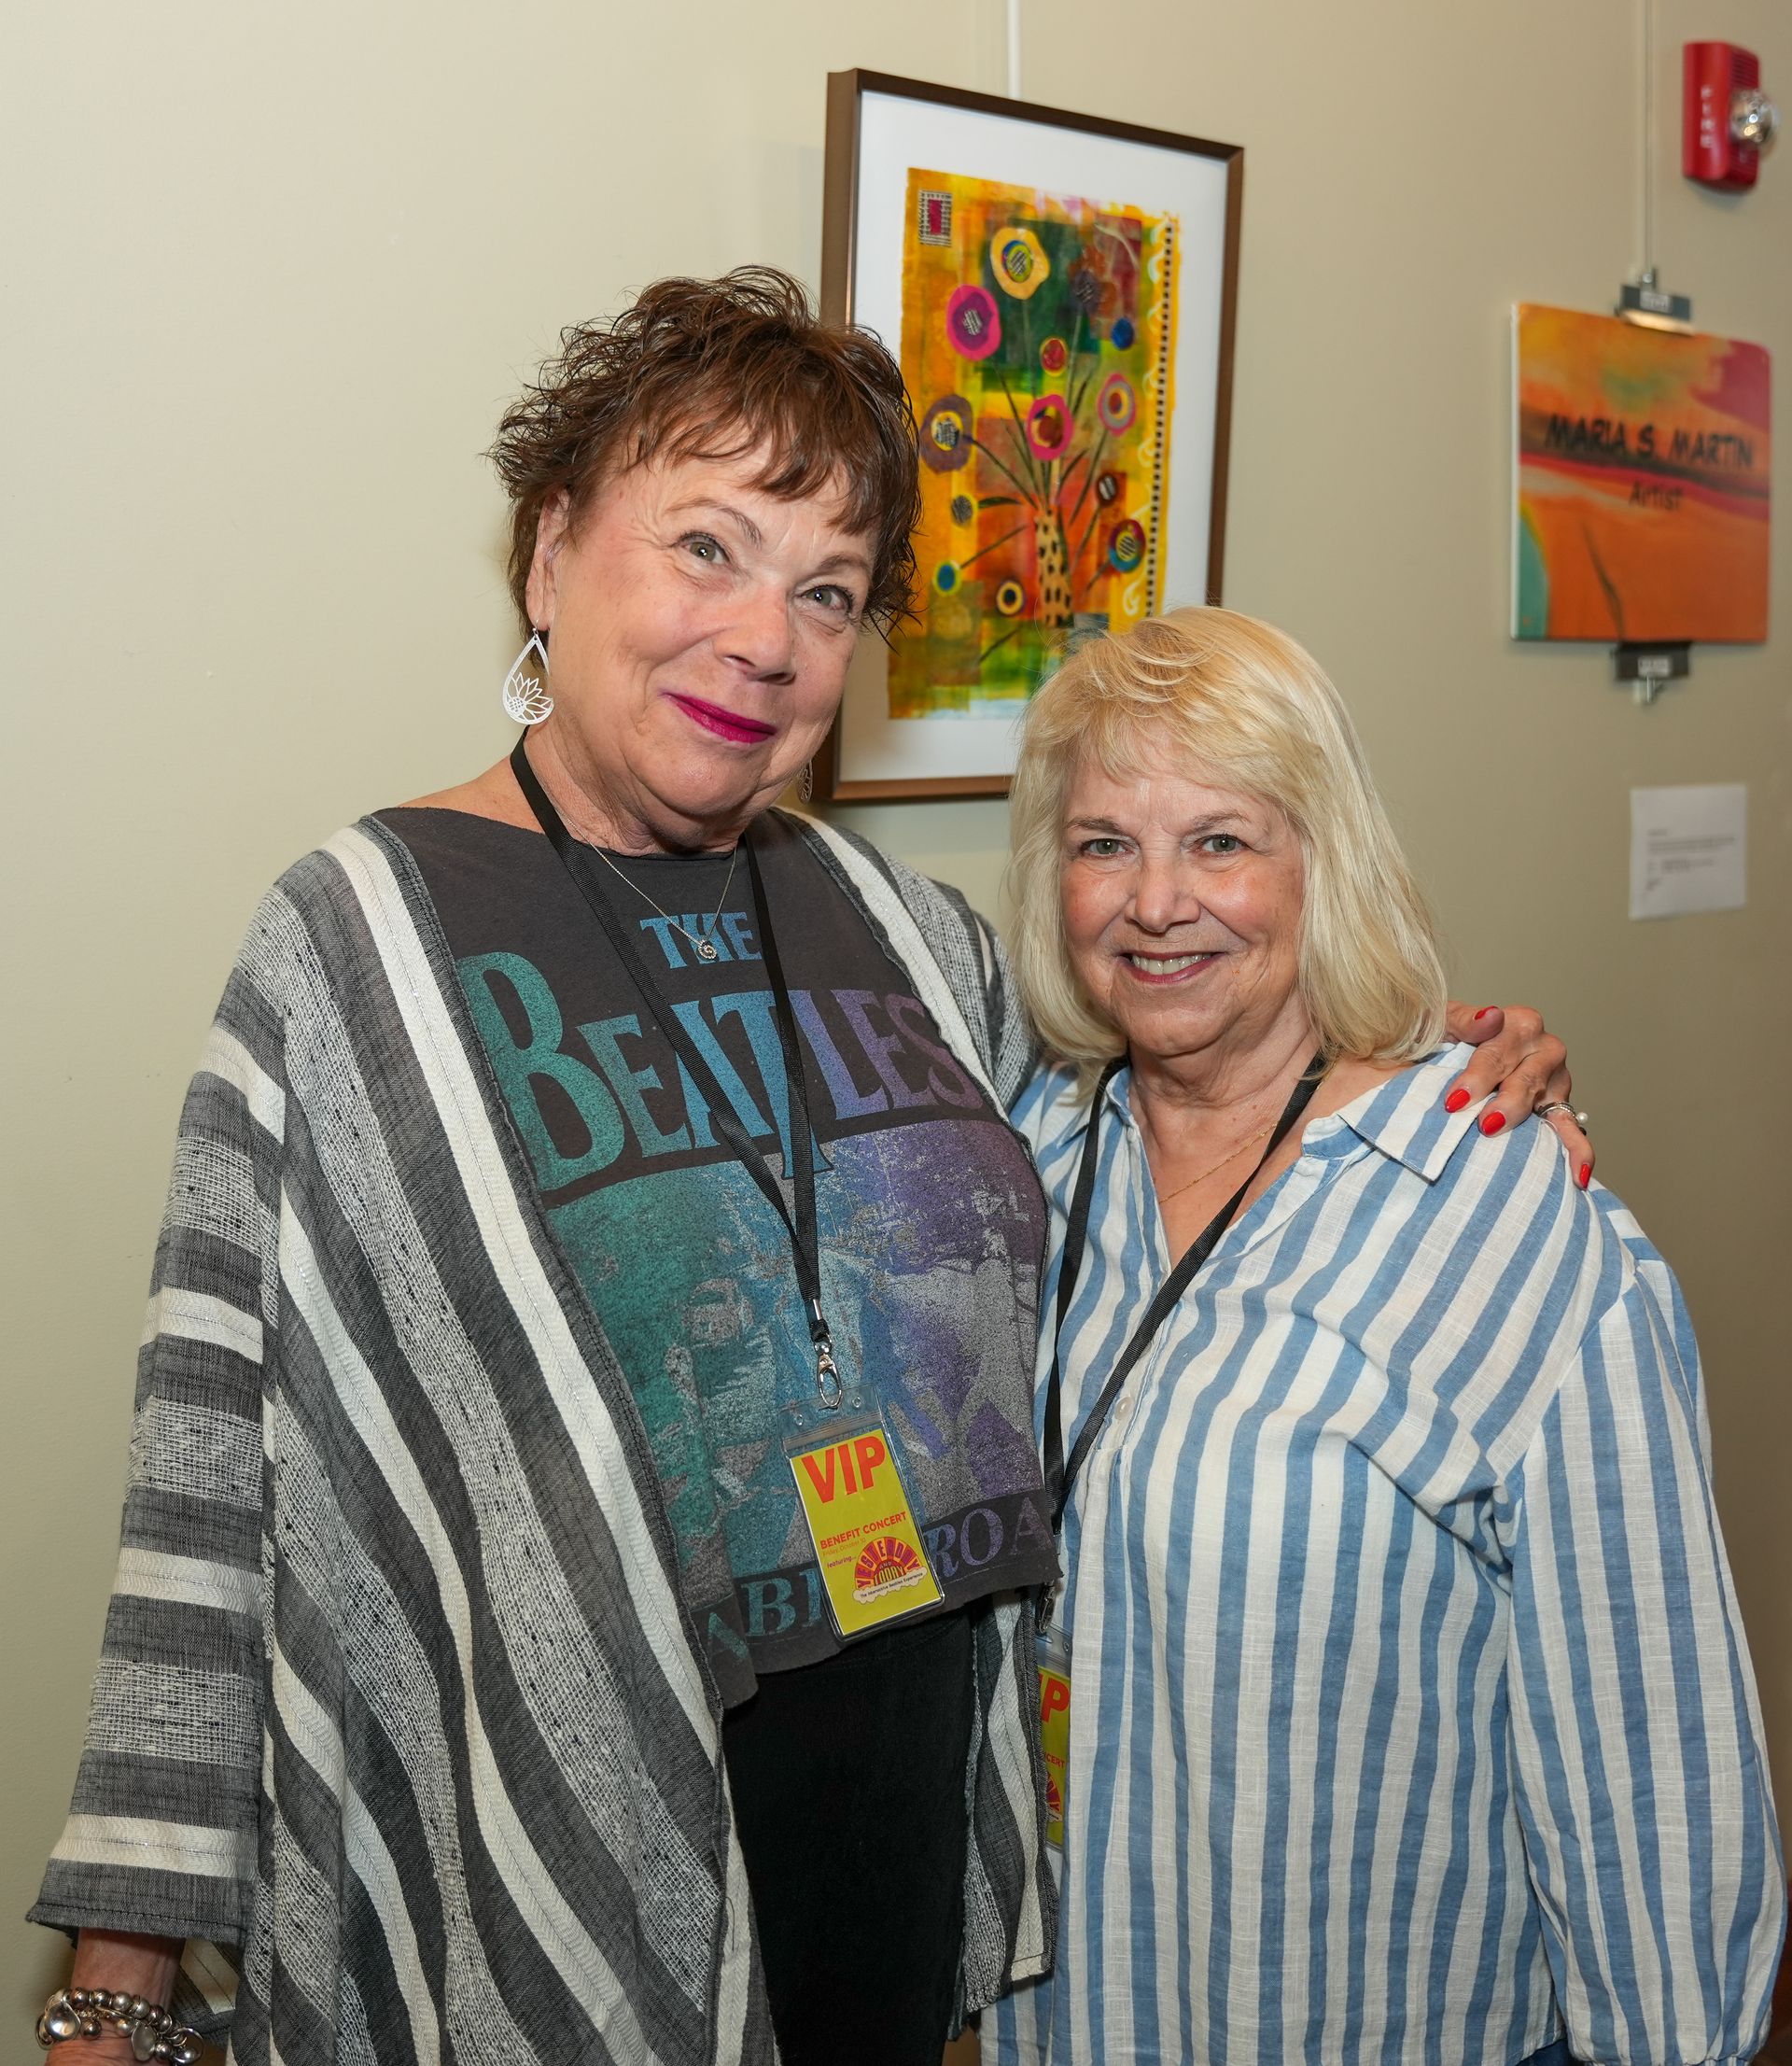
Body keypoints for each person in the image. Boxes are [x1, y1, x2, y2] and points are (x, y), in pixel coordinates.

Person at [31, 273, 1577, 2066]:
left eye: (827, 591)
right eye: (708, 546)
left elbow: (1159, 1155)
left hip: (901, 1883)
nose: (766, 637)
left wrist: (1422, 1075)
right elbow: (209, 1485)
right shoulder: (354, 944)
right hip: (544, 1901)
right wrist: (112, 1992)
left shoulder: (912, 936)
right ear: (549, 557)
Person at [987, 608, 1783, 2066]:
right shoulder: (1019, 1159)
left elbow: (1649, 1772)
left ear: (1323, 859)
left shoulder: (1504, 1215)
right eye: (1106, 843)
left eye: (1222, 841)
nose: (1156, 900)